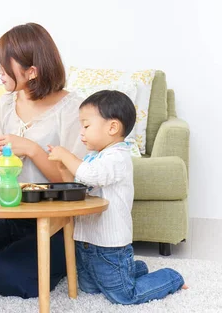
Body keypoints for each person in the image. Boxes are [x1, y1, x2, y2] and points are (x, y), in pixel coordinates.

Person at [0, 23, 86, 298]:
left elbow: (74, 184)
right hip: (15, 213)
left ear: (32, 71)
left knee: (7, 276)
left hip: (56, 219)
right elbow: (0, 162)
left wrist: (32, 149)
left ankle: (69, 258)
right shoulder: (6, 103)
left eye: (5, 67)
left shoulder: (72, 108)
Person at [47, 90, 187, 304]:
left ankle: (171, 277)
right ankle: (131, 269)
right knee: (90, 289)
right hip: (85, 242)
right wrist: (62, 167)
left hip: (109, 245)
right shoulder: (94, 157)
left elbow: (91, 175)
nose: (81, 132)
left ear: (112, 127)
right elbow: (80, 185)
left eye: (86, 126)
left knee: (123, 296)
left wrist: (67, 155)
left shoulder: (118, 157)